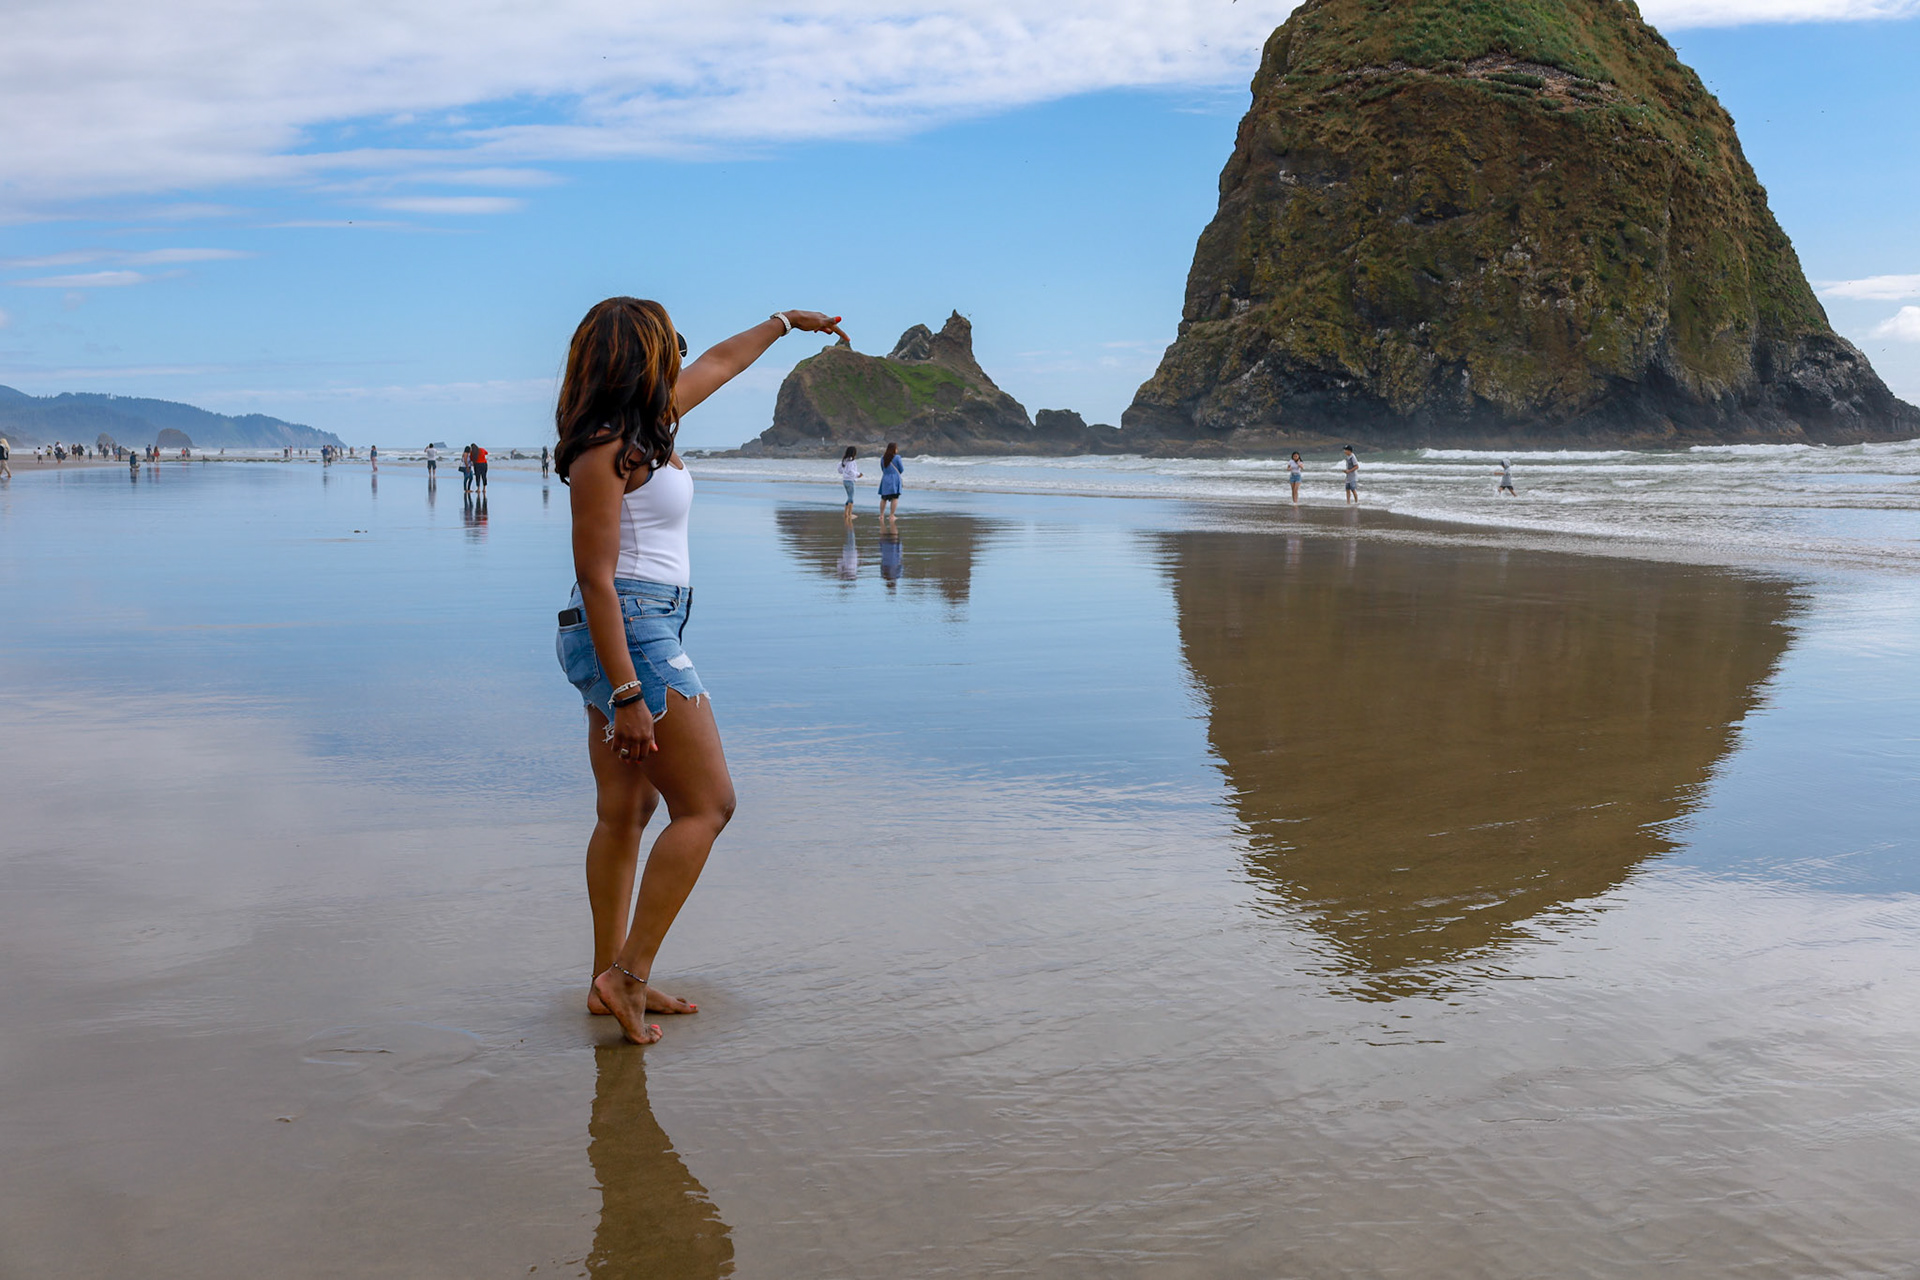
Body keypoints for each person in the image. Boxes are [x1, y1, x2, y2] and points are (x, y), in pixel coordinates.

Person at [556, 298, 847, 1045]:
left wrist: (784, 324)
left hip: (637, 626)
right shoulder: (604, 451)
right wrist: (627, 693)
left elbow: (722, 362)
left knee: (627, 813)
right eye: (666, 346)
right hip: (628, 629)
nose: (681, 357)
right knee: (709, 805)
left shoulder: (652, 423)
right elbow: (593, 578)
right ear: (637, 357)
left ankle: (606, 982)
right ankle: (627, 974)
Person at [877, 442, 904, 520]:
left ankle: (881, 515)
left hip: (885, 478)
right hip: (895, 479)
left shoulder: (883, 457)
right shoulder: (897, 457)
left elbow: (882, 468)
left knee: (883, 498)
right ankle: (891, 515)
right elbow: (901, 469)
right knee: (895, 497)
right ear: (894, 449)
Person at [838, 447, 862, 523]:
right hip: (850, 480)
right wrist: (858, 474)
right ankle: (849, 513)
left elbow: (840, 470)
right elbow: (851, 471)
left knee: (849, 496)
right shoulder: (852, 461)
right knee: (851, 497)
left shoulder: (844, 460)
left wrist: (846, 473)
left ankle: (846, 513)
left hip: (845, 480)